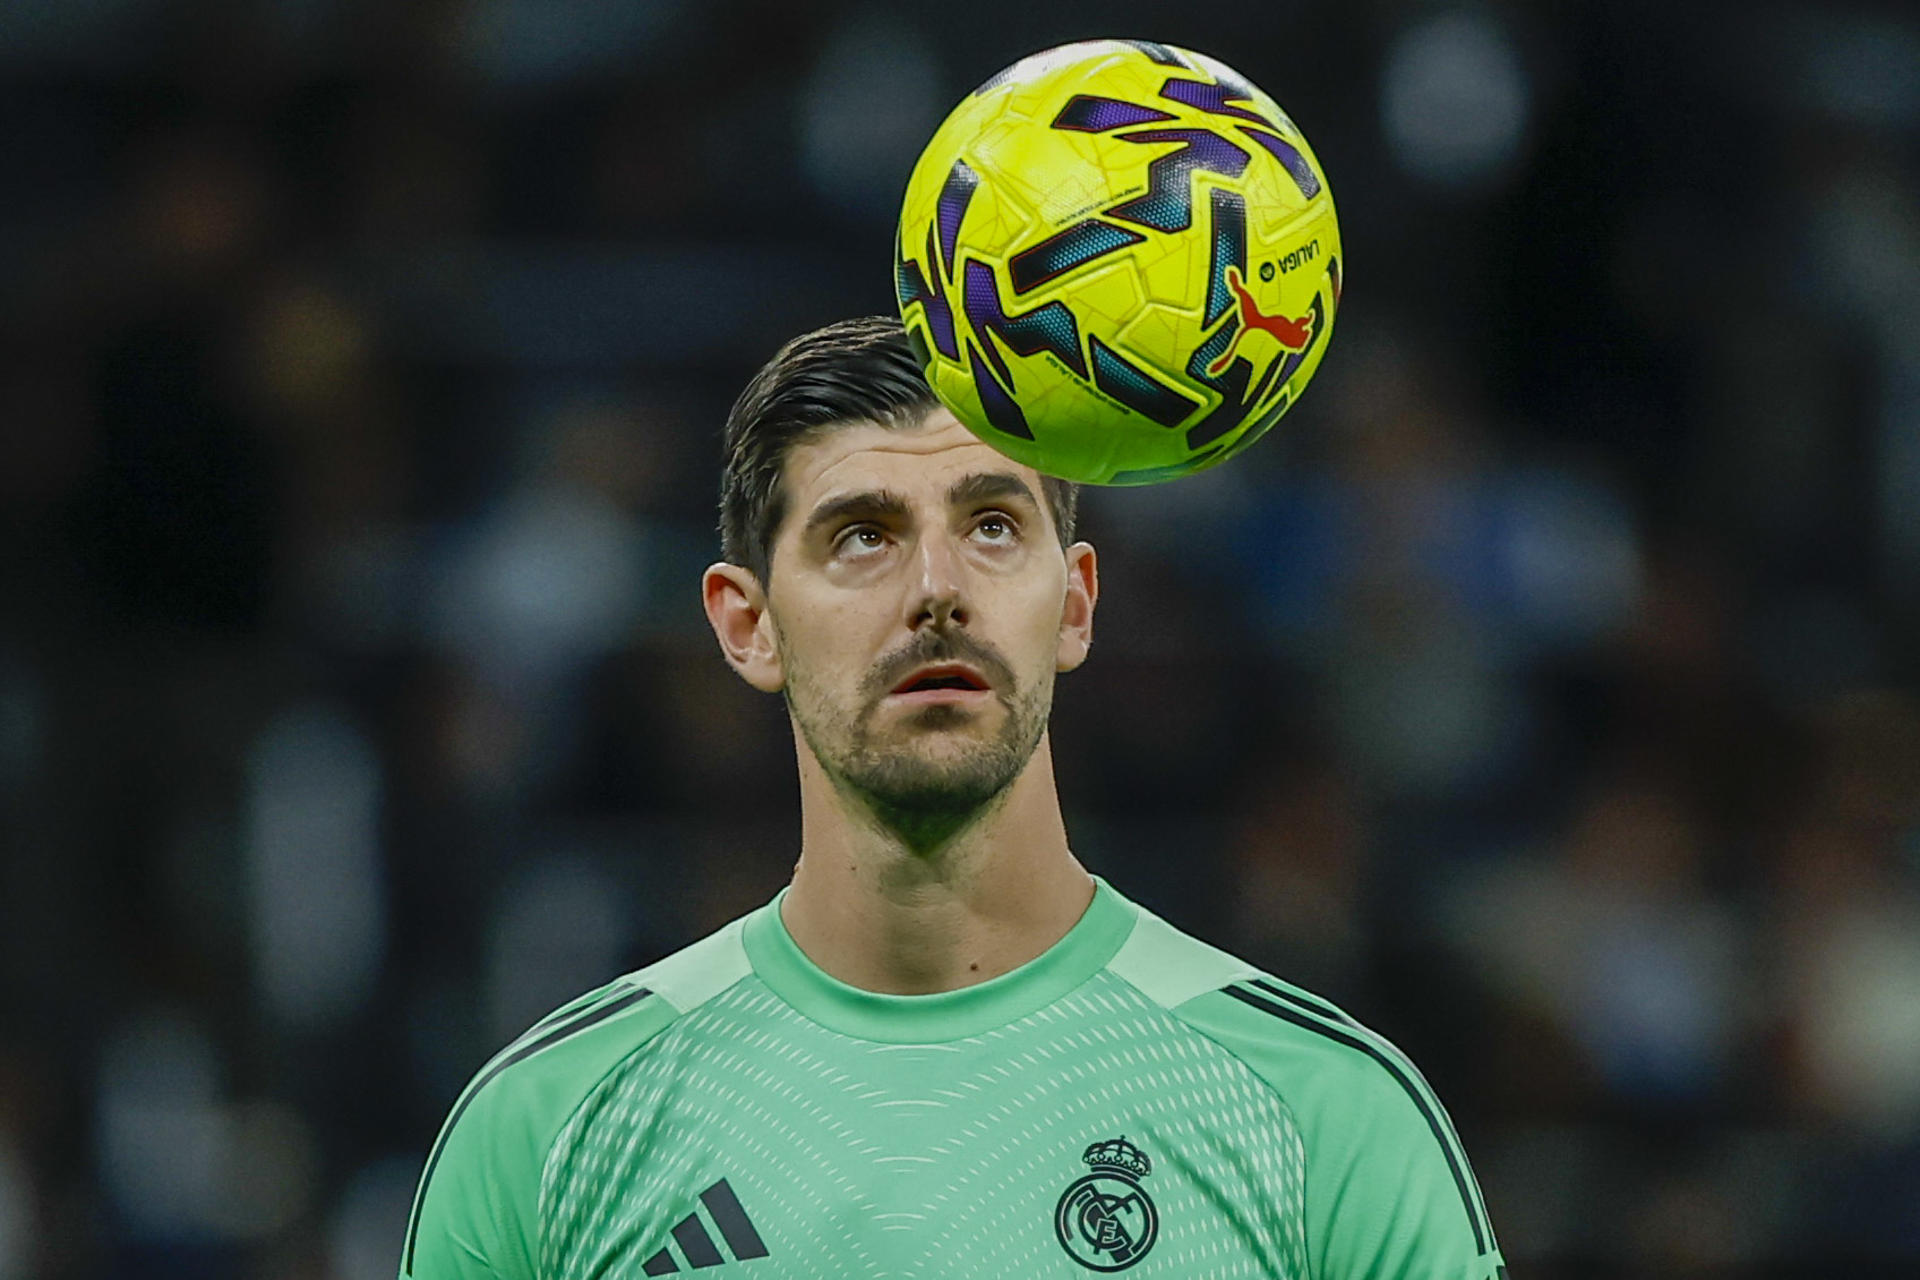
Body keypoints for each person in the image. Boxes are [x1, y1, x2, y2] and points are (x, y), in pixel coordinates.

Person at [399, 316, 1508, 1279]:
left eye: (992, 526)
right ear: (749, 625)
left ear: (1075, 604)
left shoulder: (1324, 1116)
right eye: (863, 536)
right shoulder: (547, 1133)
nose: (936, 589)